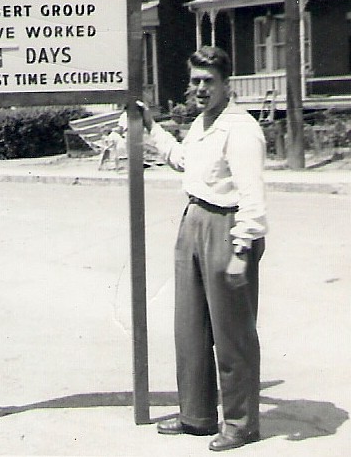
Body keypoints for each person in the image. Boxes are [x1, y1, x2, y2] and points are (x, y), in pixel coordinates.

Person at [137, 45, 267, 452]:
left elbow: (252, 196)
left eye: (208, 81)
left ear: (227, 84)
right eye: (195, 80)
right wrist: (150, 126)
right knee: (190, 326)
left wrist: (241, 250)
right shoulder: (201, 124)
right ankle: (196, 416)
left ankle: (242, 423)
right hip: (192, 220)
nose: (200, 88)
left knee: (232, 334)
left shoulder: (241, 129)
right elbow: (182, 160)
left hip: (226, 227)